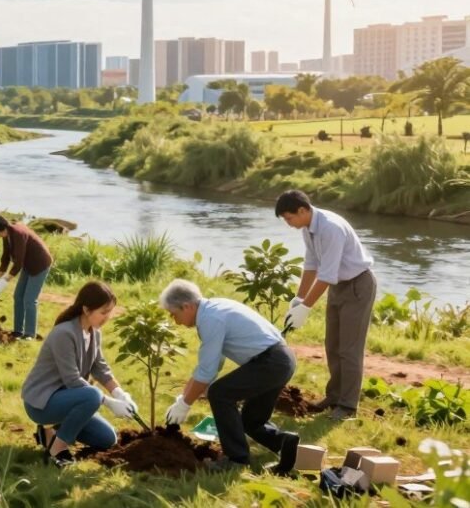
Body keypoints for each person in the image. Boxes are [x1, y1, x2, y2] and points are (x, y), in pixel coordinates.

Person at [160, 279, 299, 474]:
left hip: (270, 363)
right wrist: (184, 397)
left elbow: (207, 371)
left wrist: (185, 404)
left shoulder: (210, 320)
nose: (176, 321)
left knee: (219, 393)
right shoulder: (215, 308)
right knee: (251, 421)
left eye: (174, 314)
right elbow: (213, 364)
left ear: (187, 306)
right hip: (282, 360)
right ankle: (285, 442)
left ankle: (236, 459)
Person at [275, 189, 376, 421]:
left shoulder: (330, 228)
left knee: (349, 349)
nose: (289, 224)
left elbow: (327, 275)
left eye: (289, 218)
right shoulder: (308, 229)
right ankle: (334, 396)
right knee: (333, 345)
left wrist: (306, 308)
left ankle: (348, 406)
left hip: (357, 286)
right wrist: (299, 299)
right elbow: (311, 265)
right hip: (338, 286)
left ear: (302, 210)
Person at [20, 281, 138, 469]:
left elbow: (100, 368)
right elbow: (72, 379)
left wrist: (120, 394)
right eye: (104, 312)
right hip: (42, 404)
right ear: (86, 309)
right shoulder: (64, 333)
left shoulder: (94, 333)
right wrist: (108, 402)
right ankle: (58, 449)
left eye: (110, 312)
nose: (108, 317)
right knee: (93, 395)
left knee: (107, 439)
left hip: (69, 400)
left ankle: (49, 433)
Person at [0, 215, 54, 340]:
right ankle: (18, 331)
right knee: (18, 296)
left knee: (29, 299)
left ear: (0, 229)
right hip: (28, 265)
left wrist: (4, 281)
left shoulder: (18, 234)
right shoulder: (7, 233)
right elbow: (6, 256)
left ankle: (29, 334)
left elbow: (18, 263)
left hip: (40, 264)